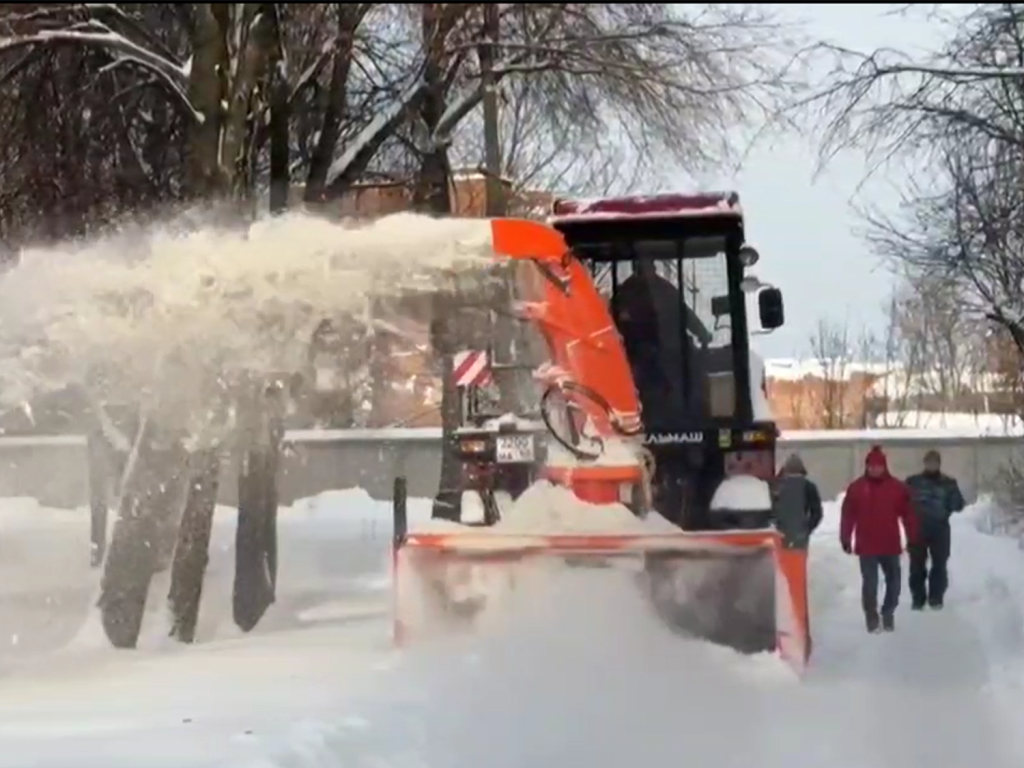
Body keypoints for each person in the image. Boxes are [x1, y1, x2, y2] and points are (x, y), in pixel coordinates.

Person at [840, 445, 918, 633]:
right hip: (866, 545)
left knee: (894, 582)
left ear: (884, 467)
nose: (875, 470)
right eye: (872, 466)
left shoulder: (897, 488)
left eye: (878, 466)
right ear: (866, 467)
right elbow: (848, 515)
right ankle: (872, 617)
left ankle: (888, 612)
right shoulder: (857, 488)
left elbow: (909, 515)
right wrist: (845, 537)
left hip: (890, 544)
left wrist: (913, 537)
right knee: (870, 583)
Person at [905, 449, 965, 610]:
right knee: (916, 566)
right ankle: (918, 599)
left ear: (939, 464)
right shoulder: (913, 482)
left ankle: (936, 598)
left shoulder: (948, 483)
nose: (931, 465)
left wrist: (952, 502)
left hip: (940, 530)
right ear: (924, 463)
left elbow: (958, 505)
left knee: (939, 565)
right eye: (929, 462)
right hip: (917, 530)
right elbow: (901, 502)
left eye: (934, 462)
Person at [773, 453, 824, 549]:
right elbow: (817, 513)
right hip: (800, 533)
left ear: (785, 469)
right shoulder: (809, 486)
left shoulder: (777, 486)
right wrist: (807, 529)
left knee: (778, 557)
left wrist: (775, 526)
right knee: (798, 557)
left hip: (779, 532)